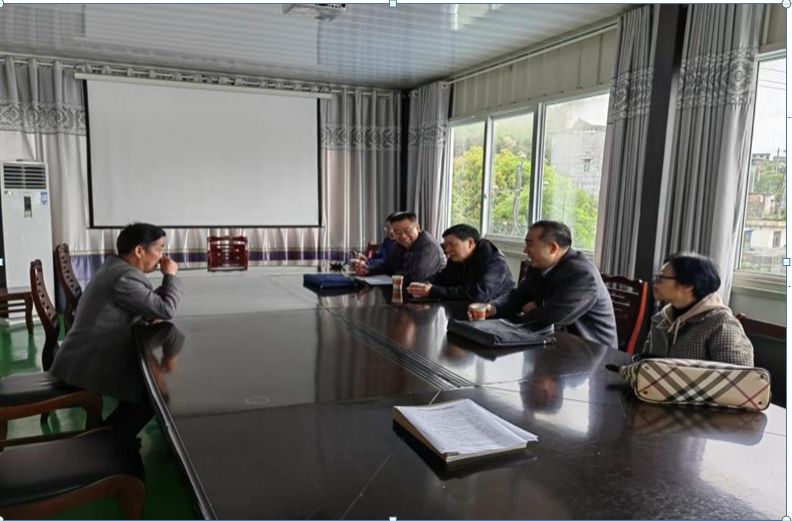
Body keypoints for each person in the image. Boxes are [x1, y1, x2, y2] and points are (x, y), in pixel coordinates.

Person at [50, 223, 185, 440]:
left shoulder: (115, 267)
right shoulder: (125, 278)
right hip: (87, 364)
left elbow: (145, 303)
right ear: (139, 250)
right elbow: (166, 309)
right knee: (153, 396)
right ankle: (106, 444)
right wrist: (170, 276)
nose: (162, 256)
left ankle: (114, 439)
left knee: (146, 387)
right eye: (159, 248)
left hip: (83, 356)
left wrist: (151, 307)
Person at [470, 220, 618, 350]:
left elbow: (556, 316)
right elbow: (518, 295)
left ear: (552, 248)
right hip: (552, 342)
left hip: (591, 352)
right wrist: (492, 307)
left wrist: (533, 310)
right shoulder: (538, 266)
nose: (525, 250)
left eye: (530, 244)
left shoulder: (581, 274)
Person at [642, 252, 753, 366]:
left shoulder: (721, 324)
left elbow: (740, 375)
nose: (655, 281)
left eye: (661, 277)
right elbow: (644, 364)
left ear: (688, 285)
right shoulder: (660, 320)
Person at [406, 224, 514, 302]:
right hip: (465, 308)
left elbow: (480, 293)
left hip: (496, 313)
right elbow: (442, 278)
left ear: (470, 243)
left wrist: (433, 291)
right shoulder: (458, 259)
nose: (447, 250)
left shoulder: (494, 260)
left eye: (452, 244)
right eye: (446, 246)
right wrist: (424, 285)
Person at [355, 211, 446, 285]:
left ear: (417, 228)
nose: (403, 236)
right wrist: (369, 270)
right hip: (405, 290)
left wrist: (394, 274)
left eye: (407, 230)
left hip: (431, 296)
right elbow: (387, 267)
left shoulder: (428, 245)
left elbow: (416, 277)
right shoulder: (397, 245)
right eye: (397, 232)